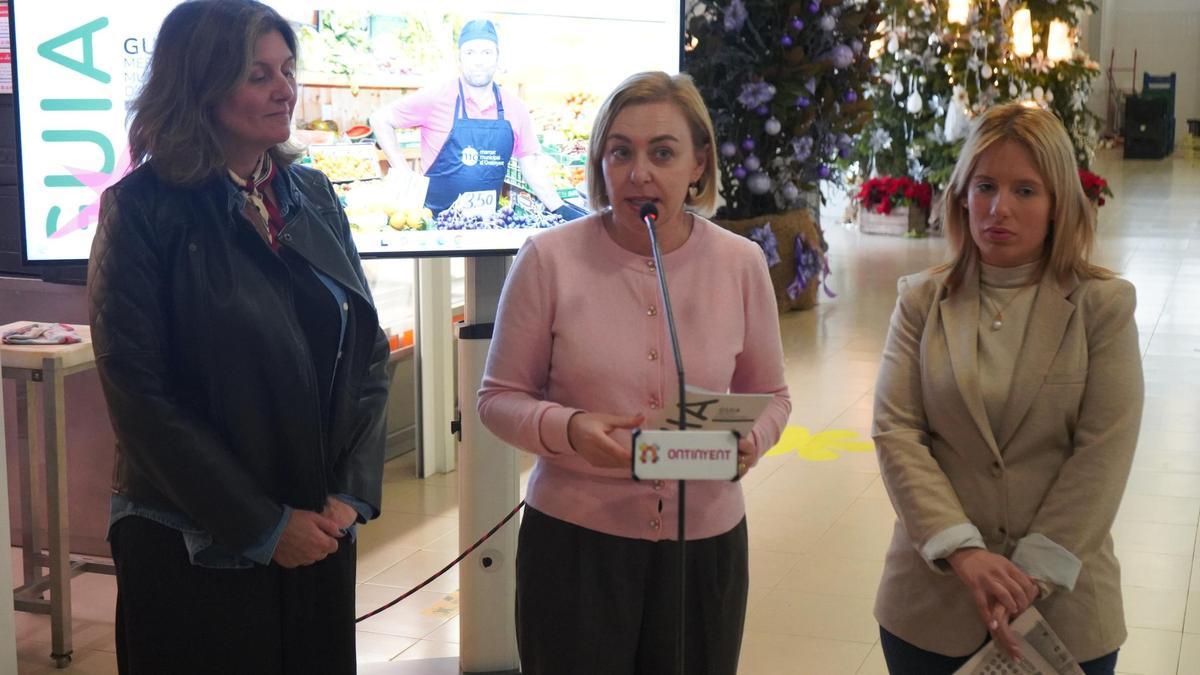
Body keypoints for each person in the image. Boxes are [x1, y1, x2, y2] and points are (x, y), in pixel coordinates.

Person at [87, 1, 389, 673]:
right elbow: (139, 396)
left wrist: (350, 493)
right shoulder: (141, 210)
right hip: (192, 541)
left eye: (287, 69)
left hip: (318, 528)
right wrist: (263, 526)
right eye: (259, 75)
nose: (285, 89)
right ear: (201, 86)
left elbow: (366, 351)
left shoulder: (313, 194)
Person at [477, 71, 791, 674]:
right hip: (575, 543)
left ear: (699, 164)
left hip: (704, 544)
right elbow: (498, 399)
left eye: (662, 153)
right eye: (620, 152)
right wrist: (569, 429)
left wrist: (751, 439)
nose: (638, 173)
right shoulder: (547, 258)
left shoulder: (740, 262)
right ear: (601, 162)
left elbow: (771, 394)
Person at [872, 102, 1142, 675]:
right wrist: (964, 552)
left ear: (1058, 203)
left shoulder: (1103, 306)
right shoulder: (920, 301)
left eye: (1025, 190)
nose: (1000, 208)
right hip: (931, 607)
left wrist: (1029, 578)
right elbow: (896, 433)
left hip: (1065, 615)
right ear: (961, 197)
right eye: (985, 186)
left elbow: (1103, 453)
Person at [368, 19, 586, 220]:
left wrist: (560, 208)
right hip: (434, 223)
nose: (478, 61)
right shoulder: (436, 98)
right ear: (460, 58)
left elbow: (531, 169)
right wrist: (404, 172)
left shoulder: (516, 108)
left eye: (486, 52)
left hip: (488, 225)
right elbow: (380, 119)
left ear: (497, 57)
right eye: (470, 52)